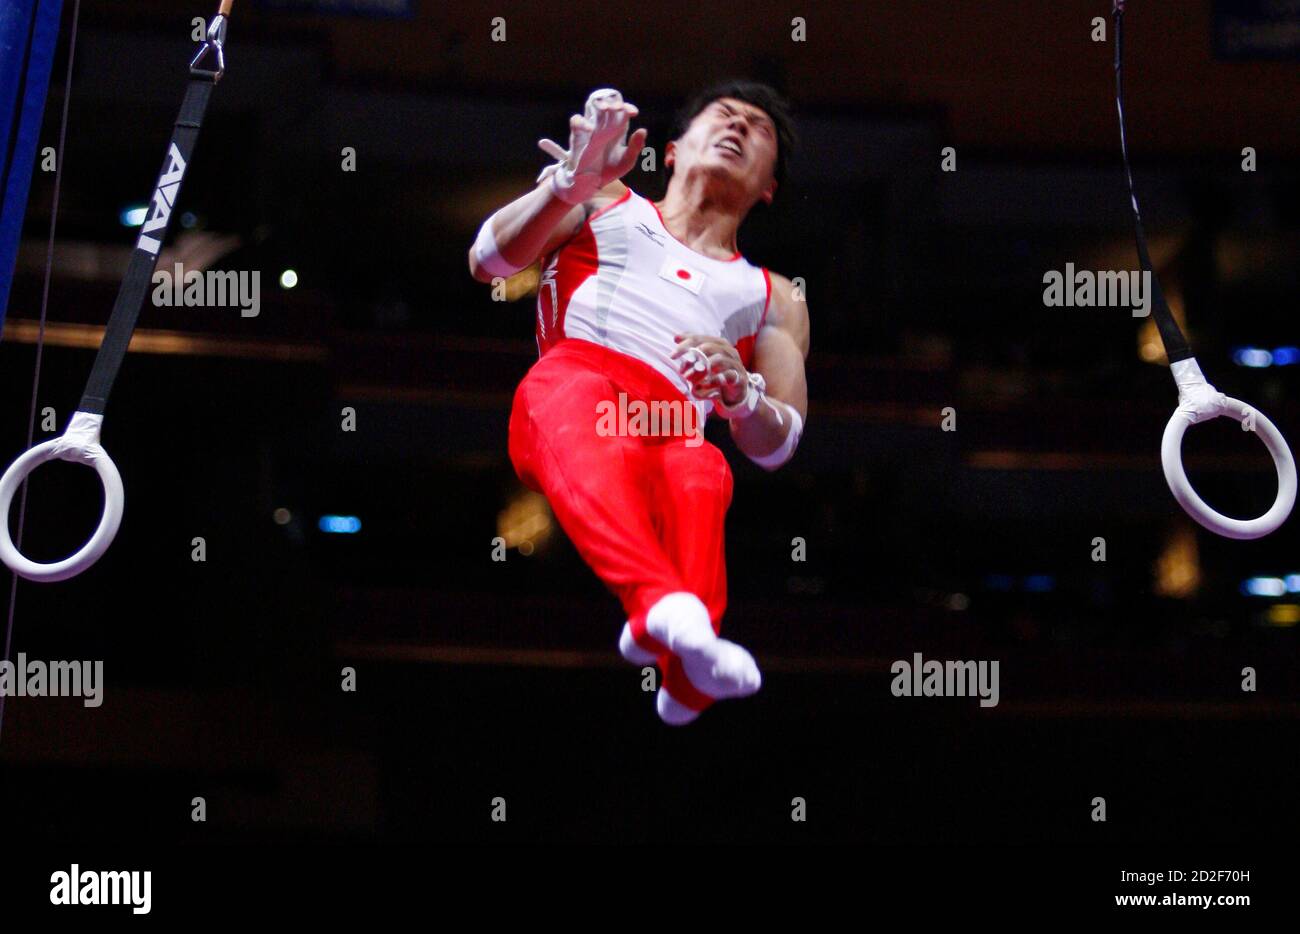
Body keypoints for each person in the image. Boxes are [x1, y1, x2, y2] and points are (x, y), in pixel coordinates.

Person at [468, 80, 809, 724]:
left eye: (757, 129)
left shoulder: (777, 296)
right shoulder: (603, 198)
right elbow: (487, 261)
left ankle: (687, 676)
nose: (737, 127)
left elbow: (778, 444)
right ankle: (658, 605)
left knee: (703, 467)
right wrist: (564, 186)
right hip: (576, 391)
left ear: (769, 187)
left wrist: (742, 396)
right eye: (723, 116)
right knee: (569, 388)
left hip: (671, 425)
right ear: (674, 151)